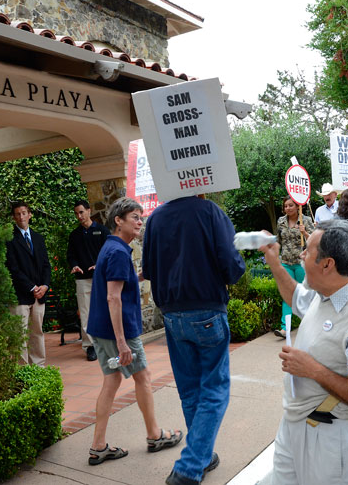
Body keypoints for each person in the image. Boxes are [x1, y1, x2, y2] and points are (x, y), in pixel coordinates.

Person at [260, 220, 348, 485]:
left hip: (333, 441)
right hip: (295, 426)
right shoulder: (327, 290)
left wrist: (312, 370)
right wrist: (274, 261)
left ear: (327, 264)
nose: (301, 254)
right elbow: (296, 299)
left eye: (307, 250)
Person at [142, 194, 246, 485]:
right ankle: (190, 466)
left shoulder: (156, 218)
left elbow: (148, 270)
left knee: (190, 391)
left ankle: (201, 455)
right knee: (214, 389)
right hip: (207, 310)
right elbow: (232, 266)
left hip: (173, 315)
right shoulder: (210, 212)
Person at [86, 197, 182, 466]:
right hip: (118, 333)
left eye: (141, 217)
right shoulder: (117, 252)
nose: (140, 222)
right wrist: (122, 342)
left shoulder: (113, 248)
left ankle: (98, 445)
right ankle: (154, 435)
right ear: (118, 220)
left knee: (113, 381)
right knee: (143, 377)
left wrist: (140, 275)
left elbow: (117, 284)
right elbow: (113, 298)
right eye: (135, 217)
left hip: (104, 331)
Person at [5, 200, 51, 366]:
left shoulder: (38, 238)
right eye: (17, 214)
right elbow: (13, 268)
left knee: (37, 332)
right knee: (20, 334)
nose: (21, 216)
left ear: (30, 214)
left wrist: (44, 286)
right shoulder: (9, 239)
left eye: (24, 213)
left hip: (39, 295)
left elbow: (46, 265)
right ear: (14, 217)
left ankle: (38, 367)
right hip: (20, 296)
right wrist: (32, 287)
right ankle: (23, 370)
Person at [67, 199, 110, 361]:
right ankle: (90, 346)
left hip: (101, 278)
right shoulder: (74, 235)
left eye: (81, 212)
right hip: (82, 279)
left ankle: (107, 343)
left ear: (89, 211)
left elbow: (109, 253)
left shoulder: (102, 231)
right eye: (76, 213)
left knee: (104, 310)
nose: (79, 216)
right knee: (85, 314)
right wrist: (75, 265)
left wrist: (99, 265)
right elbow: (70, 255)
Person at [274, 196, 314, 339]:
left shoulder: (306, 221)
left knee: (306, 294)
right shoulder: (281, 221)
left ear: (297, 206)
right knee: (288, 295)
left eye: (291, 205)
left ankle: (309, 325)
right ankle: (285, 328)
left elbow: (315, 241)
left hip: (302, 262)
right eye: (285, 206)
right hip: (286, 262)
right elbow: (279, 240)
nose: (288, 208)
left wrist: (305, 232)